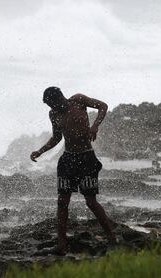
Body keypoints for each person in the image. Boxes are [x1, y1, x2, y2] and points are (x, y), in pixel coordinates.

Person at [30, 86, 117, 256]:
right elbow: (57, 137)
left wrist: (95, 126)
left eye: (52, 104)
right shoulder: (53, 114)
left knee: (91, 202)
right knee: (62, 202)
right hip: (67, 160)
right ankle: (61, 245)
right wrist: (40, 151)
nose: (51, 108)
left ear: (60, 97)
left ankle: (112, 239)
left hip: (86, 157)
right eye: (48, 105)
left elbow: (103, 106)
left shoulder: (78, 100)